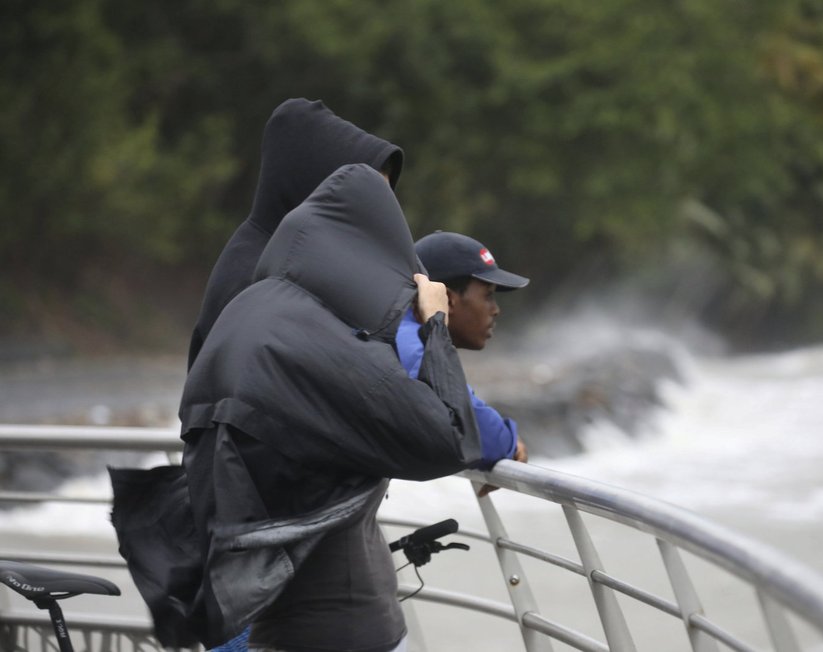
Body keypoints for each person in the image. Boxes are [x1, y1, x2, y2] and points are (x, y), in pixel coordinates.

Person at [111, 165, 493, 651]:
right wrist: (436, 323)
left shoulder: (251, 317)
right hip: (349, 629)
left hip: (278, 626)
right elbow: (451, 437)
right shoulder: (320, 347)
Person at [186, 97, 403, 370]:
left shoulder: (296, 264)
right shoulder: (256, 279)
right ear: (322, 188)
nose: (380, 217)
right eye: (370, 198)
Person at [396, 231, 530, 470]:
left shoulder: (402, 331)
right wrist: (510, 444)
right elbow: (475, 432)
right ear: (447, 298)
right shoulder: (412, 345)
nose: (495, 310)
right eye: (488, 295)